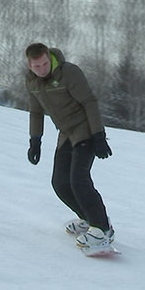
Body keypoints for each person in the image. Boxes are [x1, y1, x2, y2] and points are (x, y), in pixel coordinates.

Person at [24, 42, 114, 251]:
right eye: (36, 66)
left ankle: (102, 229)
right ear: (30, 66)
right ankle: (88, 219)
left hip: (86, 130)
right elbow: (36, 112)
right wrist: (35, 141)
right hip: (66, 135)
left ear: (50, 58)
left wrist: (99, 135)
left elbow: (90, 102)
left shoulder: (68, 73)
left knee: (79, 180)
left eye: (45, 64)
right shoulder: (32, 82)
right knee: (60, 183)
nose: (42, 69)